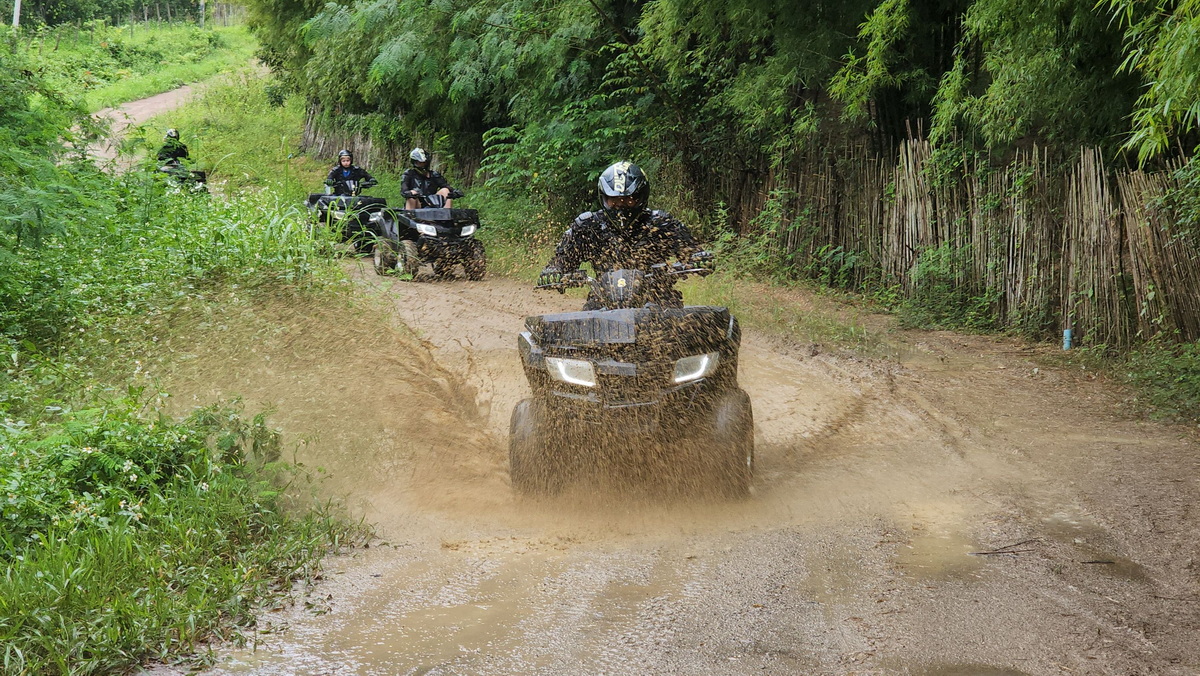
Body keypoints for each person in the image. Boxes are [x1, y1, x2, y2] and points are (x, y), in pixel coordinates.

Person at [538, 161, 710, 309]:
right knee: (577, 339)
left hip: (659, 300)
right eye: (614, 200)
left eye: (628, 200)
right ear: (604, 198)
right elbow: (562, 261)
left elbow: (692, 253)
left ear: (641, 197)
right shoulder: (588, 225)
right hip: (603, 301)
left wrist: (699, 258)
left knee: (692, 333)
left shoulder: (661, 223)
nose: (621, 205)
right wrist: (554, 271)